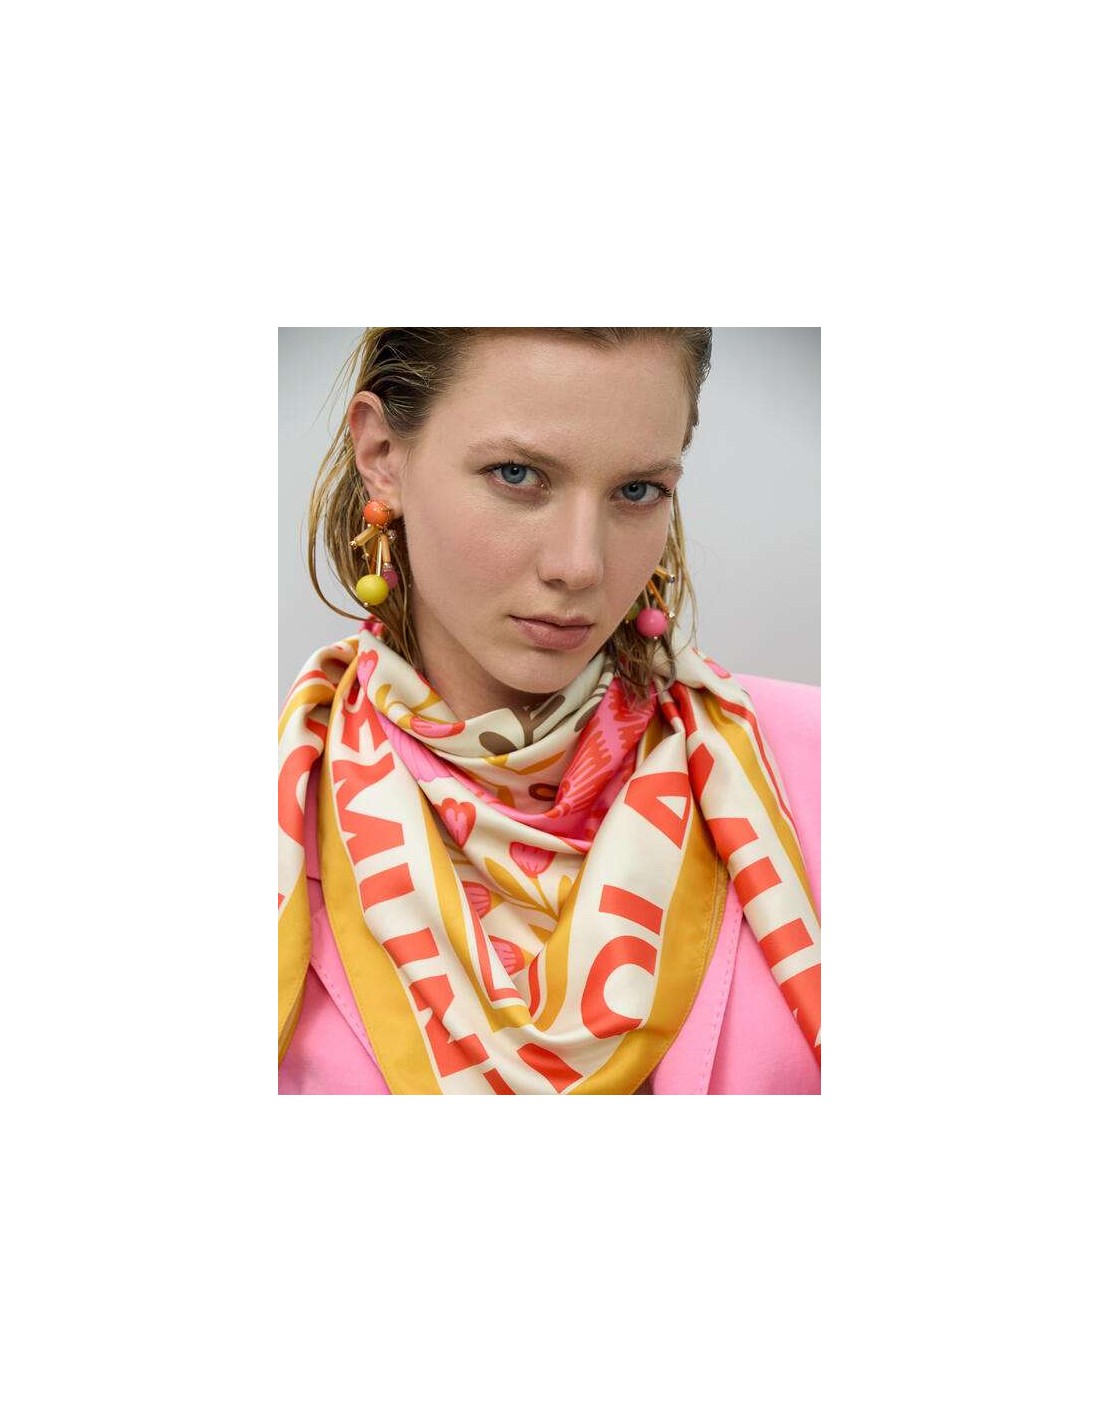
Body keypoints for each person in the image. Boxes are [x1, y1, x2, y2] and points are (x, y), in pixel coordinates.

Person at [278, 328, 820, 1094]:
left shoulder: (822, 768)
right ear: (382, 455)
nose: (579, 566)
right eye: (518, 474)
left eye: (638, 490)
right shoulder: (280, 813)